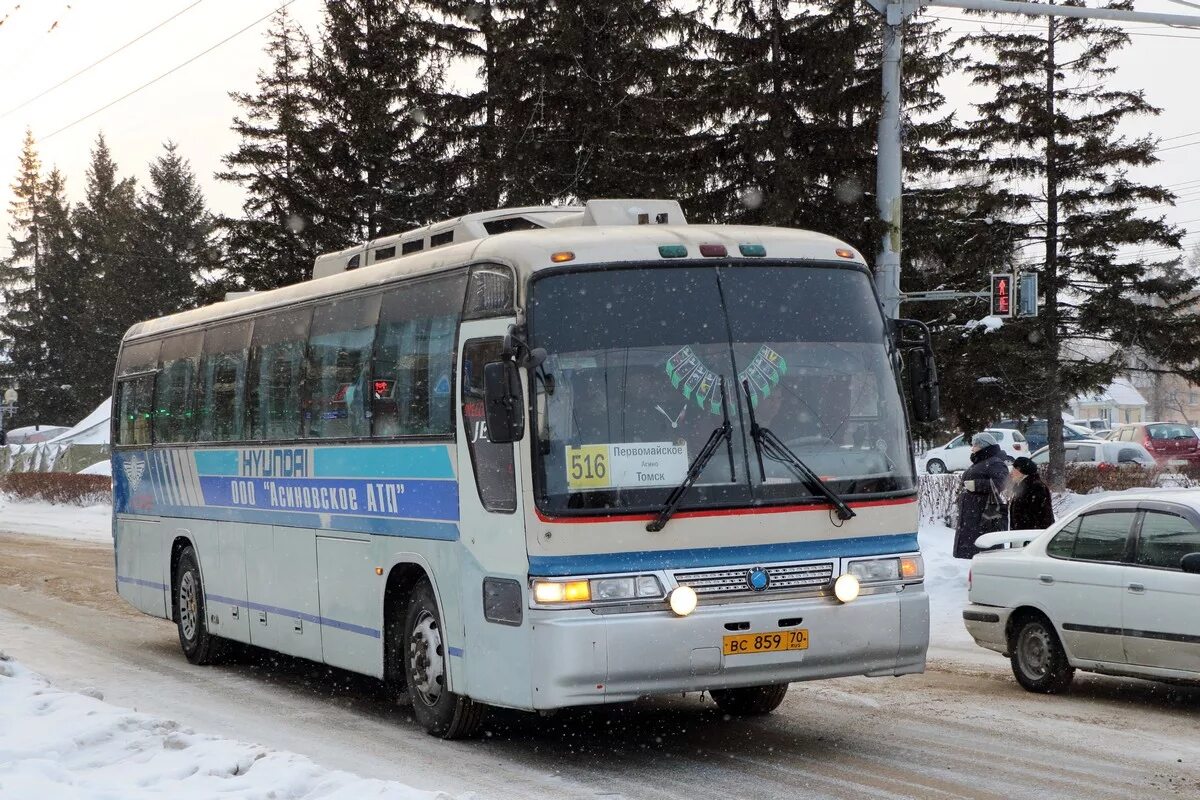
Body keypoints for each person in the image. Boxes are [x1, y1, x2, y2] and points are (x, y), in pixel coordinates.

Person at [953, 432, 1010, 559]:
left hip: (984, 513)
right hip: (974, 513)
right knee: (974, 549)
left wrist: (976, 485)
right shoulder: (981, 461)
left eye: (975, 445)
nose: (972, 448)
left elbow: (1001, 483)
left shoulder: (995, 462)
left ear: (984, 446)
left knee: (984, 549)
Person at [1008, 456, 1055, 530]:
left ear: (1023, 471)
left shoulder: (1036, 488)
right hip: (1020, 536)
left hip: (1031, 537)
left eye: (1014, 469)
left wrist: (1030, 538)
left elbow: (1043, 517)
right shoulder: (1021, 487)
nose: (1011, 473)